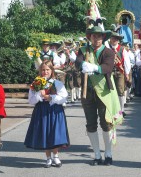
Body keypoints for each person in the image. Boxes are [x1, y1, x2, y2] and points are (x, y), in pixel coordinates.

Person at [75, 25, 123, 166]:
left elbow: (108, 67)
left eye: (99, 36)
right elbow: (78, 63)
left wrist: (94, 67)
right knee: (90, 124)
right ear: (90, 37)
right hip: (87, 92)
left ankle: (108, 153)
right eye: (94, 36)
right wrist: (82, 63)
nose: (97, 38)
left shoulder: (108, 52)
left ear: (103, 38)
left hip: (104, 92)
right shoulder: (84, 50)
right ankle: (97, 154)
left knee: (106, 123)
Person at [24, 60, 69, 168]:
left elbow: (64, 97)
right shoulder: (35, 84)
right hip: (41, 110)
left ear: (51, 70)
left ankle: (56, 156)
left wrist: (49, 97)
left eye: (47, 70)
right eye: (43, 70)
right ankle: (48, 158)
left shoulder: (57, 83)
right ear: (40, 71)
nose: (45, 72)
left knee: (54, 133)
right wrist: (39, 94)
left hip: (54, 111)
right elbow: (31, 100)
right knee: (44, 133)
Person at [109, 32, 131, 117]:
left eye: (116, 38)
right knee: (110, 90)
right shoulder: (107, 48)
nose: (115, 40)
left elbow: (126, 62)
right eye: (113, 38)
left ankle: (121, 110)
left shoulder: (122, 49)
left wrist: (127, 73)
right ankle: (112, 110)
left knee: (120, 90)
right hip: (109, 72)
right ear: (110, 39)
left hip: (119, 72)